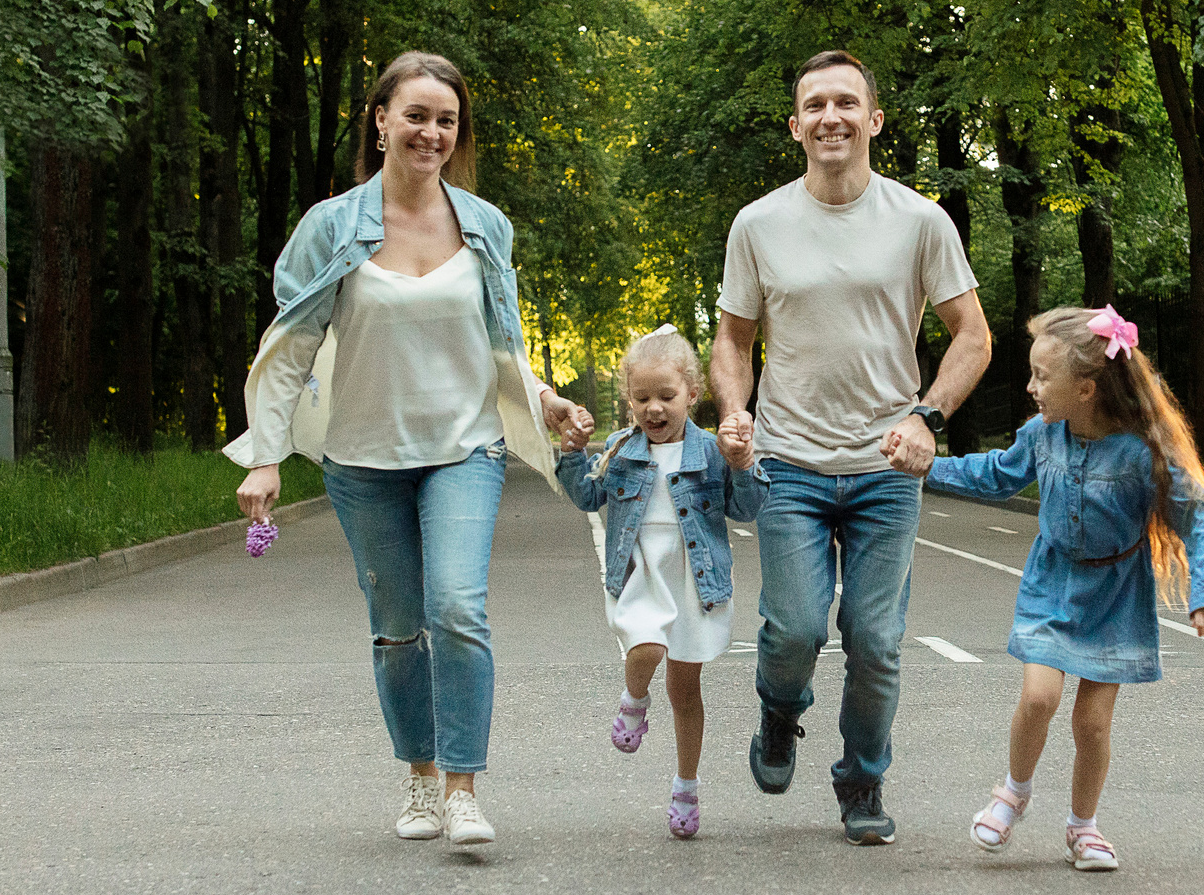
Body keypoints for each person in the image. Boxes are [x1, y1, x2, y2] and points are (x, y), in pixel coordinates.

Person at [228, 50, 596, 852]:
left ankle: (464, 787)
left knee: (457, 605)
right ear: (382, 119)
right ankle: (421, 776)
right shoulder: (332, 226)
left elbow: (503, 345)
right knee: (397, 626)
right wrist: (266, 453)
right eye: (418, 115)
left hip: (465, 446)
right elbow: (290, 347)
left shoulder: (484, 225)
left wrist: (544, 398)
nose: (432, 131)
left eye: (446, 119)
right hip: (363, 458)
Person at [711, 49, 991, 845]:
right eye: (814, 105)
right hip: (789, 465)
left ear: (872, 120)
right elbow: (731, 339)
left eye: (846, 102)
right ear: (796, 125)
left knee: (875, 640)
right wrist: (735, 408)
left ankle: (862, 779)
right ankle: (779, 709)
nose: (830, 116)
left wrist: (927, 418)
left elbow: (973, 336)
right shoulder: (758, 224)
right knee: (795, 629)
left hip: (887, 469)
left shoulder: (919, 221)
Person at [906, 305, 1204, 871]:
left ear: (1087, 388)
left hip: (1116, 595)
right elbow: (997, 474)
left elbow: (1199, 517)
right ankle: (1013, 794)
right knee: (1039, 697)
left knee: (1092, 724)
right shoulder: (1043, 434)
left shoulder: (1142, 451)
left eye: (1041, 377)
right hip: (1052, 581)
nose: (1030, 387)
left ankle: (1083, 828)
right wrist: (928, 467)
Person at [556, 325, 766, 839]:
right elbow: (587, 496)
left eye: (666, 397)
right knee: (646, 647)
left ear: (692, 395)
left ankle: (686, 786)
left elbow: (746, 508)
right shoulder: (621, 449)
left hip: (695, 579)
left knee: (687, 690)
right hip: (640, 573)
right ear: (628, 398)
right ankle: (633, 701)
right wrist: (570, 454)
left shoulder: (712, 452)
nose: (653, 408)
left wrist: (742, 464)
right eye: (641, 397)